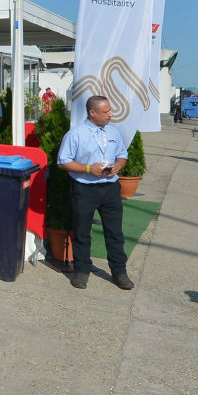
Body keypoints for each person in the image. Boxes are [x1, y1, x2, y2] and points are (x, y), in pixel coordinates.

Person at [56, 95, 132, 290]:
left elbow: (122, 154)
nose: (111, 114)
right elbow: (63, 161)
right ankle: (81, 271)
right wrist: (89, 169)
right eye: (106, 111)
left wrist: (117, 166)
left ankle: (119, 272)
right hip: (84, 189)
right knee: (82, 232)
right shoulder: (75, 135)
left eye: (110, 110)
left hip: (110, 188)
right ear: (92, 113)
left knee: (115, 232)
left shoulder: (113, 131)